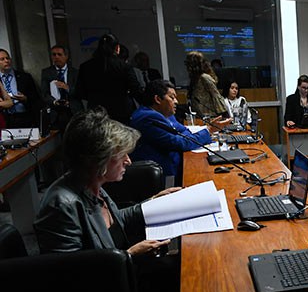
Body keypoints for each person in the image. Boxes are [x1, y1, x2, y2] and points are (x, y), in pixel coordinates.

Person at [34, 108, 176, 255]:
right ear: (97, 159)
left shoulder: (91, 183)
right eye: (121, 154)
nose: (128, 161)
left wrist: (154, 202)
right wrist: (129, 255)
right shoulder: (61, 206)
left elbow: (114, 221)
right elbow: (70, 271)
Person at [130, 79, 212, 178]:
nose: (176, 102)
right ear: (158, 99)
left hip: (177, 164)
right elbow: (180, 143)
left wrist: (182, 139)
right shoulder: (147, 117)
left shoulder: (164, 113)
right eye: (172, 97)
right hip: (165, 174)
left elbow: (184, 132)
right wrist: (208, 131)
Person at [74, 33, 142, 124]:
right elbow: (135, 90)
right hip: (121, 112)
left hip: (97, 113)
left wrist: (95, 96)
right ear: (117, 48)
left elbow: (80, 92)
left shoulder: (85, 67)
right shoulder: (124, 66)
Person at [40, 44, 82, 131]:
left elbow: (81, 92)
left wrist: (67, 88)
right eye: (54, 55)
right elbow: (44, 93)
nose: (56, 57)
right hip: (55, 112)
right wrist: (54, 102)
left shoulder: (75, 72)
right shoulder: (46, 72)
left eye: (59, 54)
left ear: (66, 56)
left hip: (72, 111)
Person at [1, 48, 42, 128]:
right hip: (6, 120)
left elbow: (36, 99)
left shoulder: (25, 77)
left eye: (7, 58)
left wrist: (25, 99)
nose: (6, 61)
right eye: (2, 59)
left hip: (25, 118)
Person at [185, 51, 229, 118]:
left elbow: (216, 96)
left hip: (210, 116)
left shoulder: (204, 77)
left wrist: (225, 114)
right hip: (199, 115)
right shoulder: (195, 79)